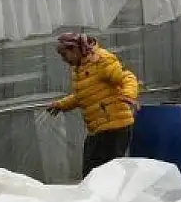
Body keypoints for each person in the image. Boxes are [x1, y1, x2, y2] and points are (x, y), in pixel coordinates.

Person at [47, 32, 140, 177]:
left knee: (104, 175)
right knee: (91, 174)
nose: (64, 60)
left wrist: (129, 95)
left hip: (115, 126)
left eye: (65, 55)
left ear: (75, 49)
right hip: (99, 129)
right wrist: (61, 105)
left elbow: (127, 77)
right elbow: (83, 95)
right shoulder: (79, 68)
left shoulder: (100, 60)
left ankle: (111, 199)